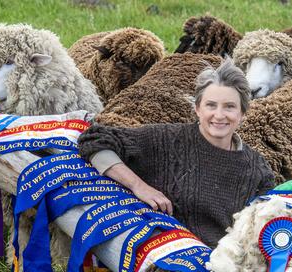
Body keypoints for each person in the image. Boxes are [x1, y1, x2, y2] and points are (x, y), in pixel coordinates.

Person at [78, 58, 275, 247]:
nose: (219, 115)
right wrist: (139, 186)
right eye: (211, 105)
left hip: (224, 263)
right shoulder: (165, 139)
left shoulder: (256, 168)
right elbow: (95, 139)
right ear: (197, 109)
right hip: (168, 258)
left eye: (230, 107)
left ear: (242, 112)